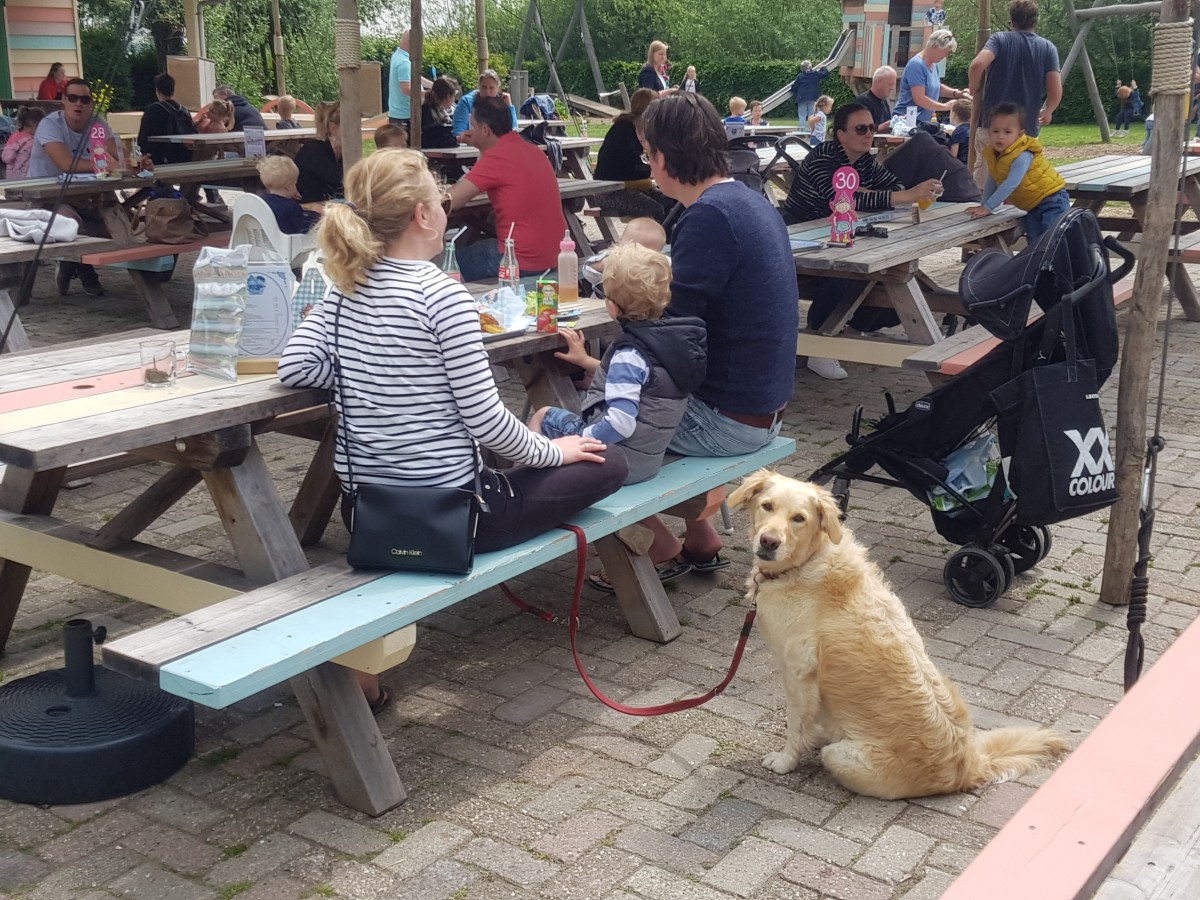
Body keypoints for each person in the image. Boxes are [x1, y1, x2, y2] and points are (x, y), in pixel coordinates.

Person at [278, 148, 626, 710]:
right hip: (454, 514)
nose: (446, 208)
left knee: (536, 453)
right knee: (608, 460)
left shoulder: (345, 292)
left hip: (367, 509)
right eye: (441, 201)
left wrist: (358, 358)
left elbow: (294, 367)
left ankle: (365, 670)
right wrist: (552, 453)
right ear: (422, 215)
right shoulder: (442, 294)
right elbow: (486, 421)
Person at [588, 91, 799, 588]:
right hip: (760, 405)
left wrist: (591, 360)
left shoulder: (708, 217)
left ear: (660, 156)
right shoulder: (746, 199)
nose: (649, 165)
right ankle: (701, 540)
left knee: (587, 426)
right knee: (630, 398)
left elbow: (666, 342)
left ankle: (658, 549)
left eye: (647, 154)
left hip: (729, 420)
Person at [781, 103, 941, 380]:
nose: (869, 134)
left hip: (841, 233)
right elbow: (843, 200)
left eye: (872, 127)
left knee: (889, 275)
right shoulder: (823, 158)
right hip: (801, 235)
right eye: (861, 129)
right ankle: (820, 345)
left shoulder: (864, 160)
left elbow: (896, 188)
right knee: (842, 273)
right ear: (840, 134)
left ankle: (849, 327)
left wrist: (872, 193)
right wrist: (879, 195)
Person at [530, 241, 708, 485]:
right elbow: (647, 384)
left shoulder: (630, 354)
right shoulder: (673, 342)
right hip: (648, 461)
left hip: (617, 463)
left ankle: (528, 485)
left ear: (612, 307)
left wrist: (583, 437)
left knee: (543, 415)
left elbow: (620, 423)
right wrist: (585, 361)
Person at [28, 79, 150, 296]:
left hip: (88, 194)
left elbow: (119, 154)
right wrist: (110, 165)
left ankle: (69, 264)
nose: (79, 104)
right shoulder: (50, 124)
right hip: (47, 197)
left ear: (92, 104)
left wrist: (136, 162)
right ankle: (84, 271)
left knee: (118, 222)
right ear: (64, 101)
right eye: (73, 98)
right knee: (70, 224)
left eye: (85, 99)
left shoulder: (97, 124)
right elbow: (66, 164)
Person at [446, 96, 566, 281]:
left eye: (473, 127)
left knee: (445, 263)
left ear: (485, 130)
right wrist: (481, 146)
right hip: (555, 254)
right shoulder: (533, 150)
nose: (470, 131)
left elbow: (452, 200)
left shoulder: (495, 157)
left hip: (520, 259)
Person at [967, 101, 1069, 242]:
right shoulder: (994, 154)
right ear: (988, 132)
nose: (1000, 136)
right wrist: (984, 205)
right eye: (995, 131)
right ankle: (1038, 264)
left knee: (1052, 241)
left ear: (1019, 135)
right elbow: (992, 179)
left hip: (1052, 199)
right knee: (1035, 242)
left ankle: (1061, 264)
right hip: (1033, 205)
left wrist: (989, 207)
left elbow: (1011, 184)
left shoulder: (1023, 154)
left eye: (1007, 132)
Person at [968, 0, 1061, 138]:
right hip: (1026, 129)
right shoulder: (1048, 48)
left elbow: (977, 65)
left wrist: (973, 87)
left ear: (1012, 21)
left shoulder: (999, 40)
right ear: (1035, 21)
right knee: (1023, 160)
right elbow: (1055, 89)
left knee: (986, 160)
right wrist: (1048, 110)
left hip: (993, 127)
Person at [594, 88, 674, 221]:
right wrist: (652, 169)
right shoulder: (624, 130)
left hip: (631, 186)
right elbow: (630, 168)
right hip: (611, 192)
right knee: (657, 210)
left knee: (673, 203)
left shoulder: (636, 127)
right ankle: (663, 240)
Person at [897, 30, 969, 124]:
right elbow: (919, 98)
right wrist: (945, 106)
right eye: (945, 52)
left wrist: (957, 93)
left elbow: (937, 87)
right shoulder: (916, 65)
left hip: (923, 122)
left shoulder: (934, 66)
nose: (945, 56)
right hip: (908, 122)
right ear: (935, 47)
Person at [138, 72, 197, 167]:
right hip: (184, 158)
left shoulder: (153, 109)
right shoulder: (184, 110)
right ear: (173, 91)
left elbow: (143, 138)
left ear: (157, 91)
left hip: (160, 160)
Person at [295, 101, 344, 203]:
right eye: (350, 126)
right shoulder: (314, 151)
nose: (357, 130)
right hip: (307, 212)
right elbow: (345, 179)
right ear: (333, 128)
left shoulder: (341, 154)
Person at [257, 156, 320, 234]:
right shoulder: (291, 207)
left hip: (269, 239)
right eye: (295, 184)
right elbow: (303, 227)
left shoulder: (262, 201)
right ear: (288, 186)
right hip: (289, 243)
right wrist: (316, 214)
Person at [451, 69, 518, 137]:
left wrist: (509, 107)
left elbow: (513, 133)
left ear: (498, 89)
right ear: (479, 87)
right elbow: (458, 133)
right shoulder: (466, 102)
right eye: (484, 87)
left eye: (491, 88)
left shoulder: (501, 103)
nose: (487, 92)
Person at [2, 107, 44, 180]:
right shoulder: (32, 142)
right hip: (28, 180)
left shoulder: (13, 136)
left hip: (11, 179)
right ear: (37, 124)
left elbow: (7, 158)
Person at [855, 66, 898, 134]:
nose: (892, 88)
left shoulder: (884, 101)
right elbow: (864, 129)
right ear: (879, 81)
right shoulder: (863, 101)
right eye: (890, 84)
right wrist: (888, 124)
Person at [419, 76, 458, 149]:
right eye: (453, 96)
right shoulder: (428, 111)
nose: (454, 99)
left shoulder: (438, 110)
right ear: (448, 96)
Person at [387, 30, 412, 137]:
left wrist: (432, 85)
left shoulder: (397, 56)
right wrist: (426, 94)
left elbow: (412, 76)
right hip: (404, 115)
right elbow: (406, 89)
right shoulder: (404, 63)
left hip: (395, 113)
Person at [949, 98, 973, 164]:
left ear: (954, 114)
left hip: (961, 165)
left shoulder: (958, 132)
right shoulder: (971, 129)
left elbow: (953, 156)